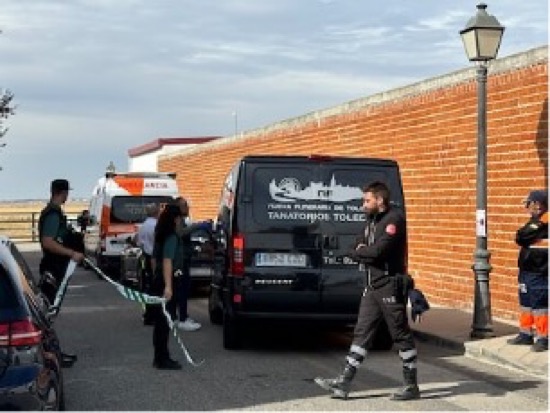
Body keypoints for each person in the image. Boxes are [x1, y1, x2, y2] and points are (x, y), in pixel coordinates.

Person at [314, 181, 420, 401]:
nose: (363, 204)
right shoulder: (371, 221)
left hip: (389, 285)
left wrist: (363, 251)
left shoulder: (394, 220)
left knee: (400, 334)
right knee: (362, 333)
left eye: (367, 200)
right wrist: (361, 251)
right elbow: (354, 248)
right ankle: (344, 382)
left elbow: (378, 252)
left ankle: (411, 385)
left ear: (379, 200)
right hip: (372, 286)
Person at [38, 179, 85, 367]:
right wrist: (71, 253)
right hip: (53, 267)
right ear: (61, 192)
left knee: (50, 312)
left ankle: (52, 351)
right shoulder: (53, 214)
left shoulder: (54, 213)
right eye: (66, 192)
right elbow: (48, 241)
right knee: (48, 312)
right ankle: (48, 354)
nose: (68, 196)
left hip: (56, 266)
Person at [507, 189, 548, 352]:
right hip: (528, 270)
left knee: (540, 304)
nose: (527, 207)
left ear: (538, 204)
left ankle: (543, 337)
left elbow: (521, 237)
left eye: (529, 203)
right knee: (526, 303)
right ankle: (525, 334)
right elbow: (521, 237)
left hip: (539, 271)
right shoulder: (536, 221)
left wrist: (538, 223)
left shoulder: (543, 223)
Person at [151, 203, 183, 370]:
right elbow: (167, 260)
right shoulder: (171, 237)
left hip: (158, 279)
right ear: (176, 219)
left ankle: (159, 356)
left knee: (160, 322)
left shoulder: (160, 235)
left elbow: (154, 259)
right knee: (165, 320)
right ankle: (163, 358)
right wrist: (168, 286)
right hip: (168, 280)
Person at [173, 197, 209, 331]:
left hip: (184, 259)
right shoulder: (176, 220)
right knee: (182, 289)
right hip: (180, 261)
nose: (188, 208)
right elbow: (180, 233)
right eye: (185, 205)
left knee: (183, 288)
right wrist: (197, 226)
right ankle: (181, 318)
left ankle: (182, 316)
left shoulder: (181, 220)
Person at [135, 203, 160, 325]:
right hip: (155, 258)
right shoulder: (156, 225)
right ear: (156, 212)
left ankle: (148, 314)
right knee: (156, 288)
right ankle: (155, 315)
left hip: (146, 257)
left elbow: (139, 243)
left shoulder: (143, 226)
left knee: (148, 287)